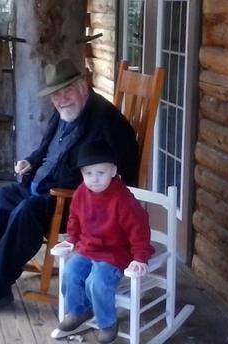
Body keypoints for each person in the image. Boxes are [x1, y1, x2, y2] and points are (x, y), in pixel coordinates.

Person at [0, 59, 139, 315]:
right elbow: (45, 150)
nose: (61, 99)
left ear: (83, 86)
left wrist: (92, 197)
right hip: (40, 189)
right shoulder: (65, 112)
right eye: (55, 94)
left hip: (72, 203)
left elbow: (124, 173)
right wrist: (31, 161)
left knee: (26, 212)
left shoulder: (106, 124)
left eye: (67, 91)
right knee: (4, 196)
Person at [53, 140, 154, 343]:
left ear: (113, 171)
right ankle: (79, 311)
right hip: (87, 248)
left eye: (101, 172)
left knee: (96, 282)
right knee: (71, 273)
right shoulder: (82, 192)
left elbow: (139, 228)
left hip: (114, 253)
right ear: (82, 173)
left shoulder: (123, 199)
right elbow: (74, 217)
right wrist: (72, 239)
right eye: (88, 173)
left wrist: (140, 257)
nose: (95, 179)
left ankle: (107, 322)